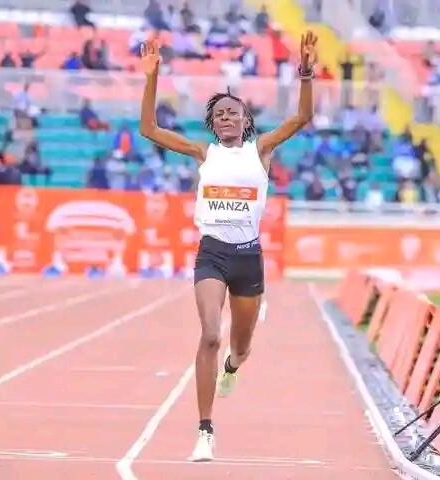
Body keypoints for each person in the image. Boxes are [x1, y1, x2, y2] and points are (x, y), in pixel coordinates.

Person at [138, 31, 317, 462]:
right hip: (213, 255)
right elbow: (148, 129)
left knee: (240, 346)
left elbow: (302, 117)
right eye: (218, 114)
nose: (225, 118)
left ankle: (232, 368)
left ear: (245, 120)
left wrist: (307, 74)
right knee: (210, 335)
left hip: (248, 259)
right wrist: (152, 77)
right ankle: (205, 431)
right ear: (213, 123)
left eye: (232, 112)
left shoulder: (262, 150)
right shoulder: (203, 153)